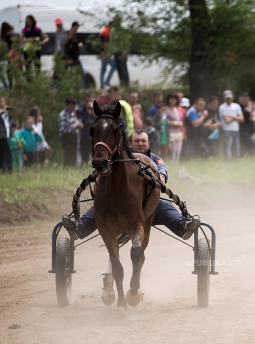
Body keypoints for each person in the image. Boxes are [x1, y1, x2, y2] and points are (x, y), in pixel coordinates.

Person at [62, 130, 200, 241]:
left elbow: (162, 170)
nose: (140, 143)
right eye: (137, 141)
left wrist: (160, 179)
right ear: (130, 143)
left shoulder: (156, 159)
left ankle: (183, 227)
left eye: (143, 141)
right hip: (118, 203)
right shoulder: (118, 160)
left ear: (148, 143)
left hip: (147, 201)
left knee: (164, 206)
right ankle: (80, 228)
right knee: (100, 206)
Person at [218, 90, 244, 159]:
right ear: (224, 98)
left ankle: (236, 160)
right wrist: (236, 116)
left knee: (236, 147)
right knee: (227, 147)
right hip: (227, 130)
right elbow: (227, 121)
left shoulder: (236, 106)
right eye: (227, 98)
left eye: (229, 98)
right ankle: (227, 161)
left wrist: (231, 116)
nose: (228, 100)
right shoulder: (222, 107)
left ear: (232, 97)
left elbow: (241, 119)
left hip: (236, 130)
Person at [58, 98, 83, 167]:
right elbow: (62, 129)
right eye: (72, 105)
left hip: (74, 137)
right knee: (68, 154)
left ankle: (73, 169)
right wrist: (75, 127)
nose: (74, 107)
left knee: (74, 154)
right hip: (67, 137)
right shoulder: (63, 115)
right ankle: (67, 169)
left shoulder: (73, 114)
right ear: (67, 105)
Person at [76, 93, 97, 166]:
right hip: (84, 136)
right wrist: (88, 111)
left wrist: (91, 112)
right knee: (84, 154)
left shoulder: (96, 110)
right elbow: (81, 120)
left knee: (94, 154)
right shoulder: (80, 110)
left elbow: (96, 121)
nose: (88, 103)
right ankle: (84, 166)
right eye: (87, 101)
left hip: (93, 136)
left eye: (90, 101)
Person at [110, 16, 130, 86]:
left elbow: (126, 41)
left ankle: (126, 84)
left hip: (122, 52)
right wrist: (110, 52)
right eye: (115, 20)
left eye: (117, 20)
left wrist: (125, 50)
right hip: (115, 52)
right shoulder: (113, 30)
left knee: (123, 68)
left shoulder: (123, 29)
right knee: (118, 69)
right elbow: (111, 42)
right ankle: (122, 83)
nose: (116, 22)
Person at [164, 93, 184, 162]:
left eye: (174, 99)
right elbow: (164, 121)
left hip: (178, 132)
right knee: (172, 149)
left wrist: (180, 123)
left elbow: (180, 119)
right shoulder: (165, 109)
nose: (172, 101)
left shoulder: (176, 109)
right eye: (171, 99)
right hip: (169, 131)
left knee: (178, 149)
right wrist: (174, 123)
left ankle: (177, 163)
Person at [98, 22, 116, 88]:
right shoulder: (107, 32)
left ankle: (102, 85)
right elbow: (105, 44)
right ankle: (107, 81)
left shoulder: (103, 31)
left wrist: (100, 53)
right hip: (105, 53)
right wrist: (107, 53)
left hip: (103, 53)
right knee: (114, 66)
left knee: (103, 69)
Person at [0, 95, 11, 172]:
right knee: (8, 152)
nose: (3, 103)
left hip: (5, 135)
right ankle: (9, 170)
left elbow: (7, 123)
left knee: (2, 154)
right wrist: (2, 112)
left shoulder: (3, 111)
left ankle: (2, 170)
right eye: (1, 101)